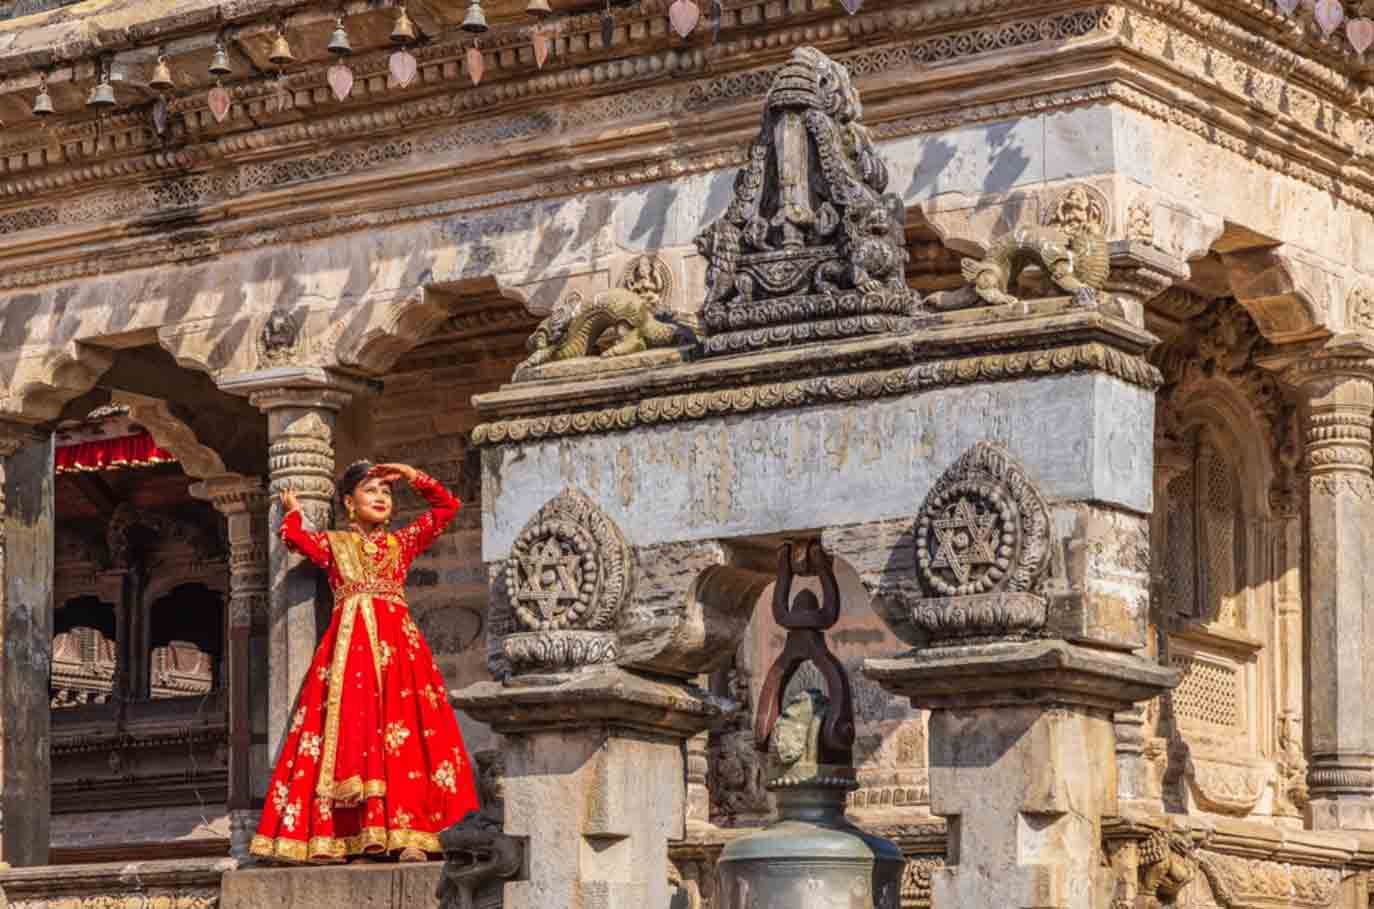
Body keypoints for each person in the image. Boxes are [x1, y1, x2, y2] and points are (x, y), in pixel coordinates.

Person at [250, 461, 480, 864]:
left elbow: (446, 508)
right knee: (351, 733)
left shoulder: (401, 543)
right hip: (349, 650)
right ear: (349, 503)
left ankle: (415, 834)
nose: (380, 497)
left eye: (386, 493)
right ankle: (348, 836)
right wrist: (291, 510)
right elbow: (294, 536)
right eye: (370, 490)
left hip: (399, 653)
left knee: (405, 732)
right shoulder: (335, 544)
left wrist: (412, 475)